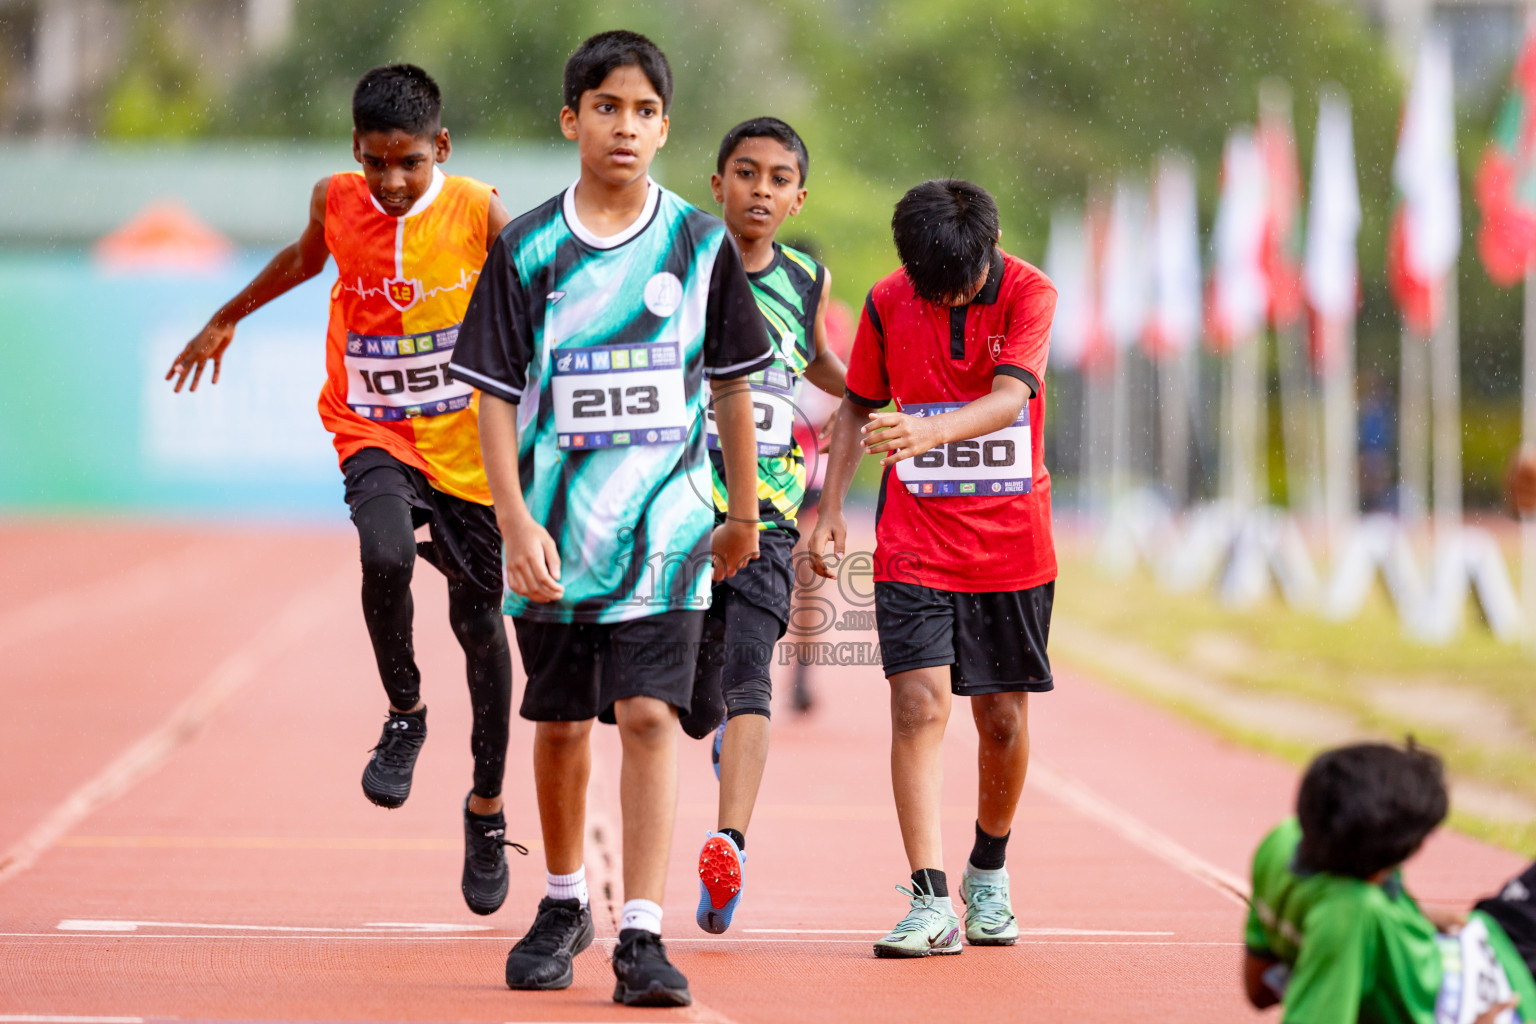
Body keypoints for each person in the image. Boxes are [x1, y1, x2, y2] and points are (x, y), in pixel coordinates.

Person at [447, 30, 771, 1007]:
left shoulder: (699, 246)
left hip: (668, 536)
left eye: (642, 111)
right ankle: (559, 902)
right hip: (550, 537)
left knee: (648, 715)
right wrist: (511, 520)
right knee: (554, 725)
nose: (623, 126)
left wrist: (744, 513)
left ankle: (642, 930)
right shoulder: (528, 248)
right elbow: (494, 396)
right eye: (605, 107)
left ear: (665, 128)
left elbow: (732, 394)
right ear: (571, 119)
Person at [165, 64, 522, 917]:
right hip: (371, 429)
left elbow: (538, 295)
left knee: (480, 630)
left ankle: (485, 807)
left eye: (408, 163)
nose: (392, 184)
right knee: (384, 554)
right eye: (375, 164)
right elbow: (299, 259)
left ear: (440, 148)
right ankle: (405, 710)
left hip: (469, 450)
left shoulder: (479, 211)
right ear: (354, 154)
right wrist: (228, 315)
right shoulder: (336, 199)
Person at [808, 179, 1057, 958]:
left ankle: (988, 870)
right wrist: (834, 512)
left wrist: (929, 434)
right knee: (918, 706)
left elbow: (1010, 401)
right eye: (931, 286)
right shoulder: (889, 300)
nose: (947, 300)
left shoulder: (1030, 293)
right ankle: (927, 898)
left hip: (1012, 542)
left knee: (1003, 719)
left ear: (992, 245)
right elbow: (855, 404)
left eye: (961, 286)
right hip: (914, 539)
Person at [675, 118, 846, 934]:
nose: (763, 191)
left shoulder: (807, 277)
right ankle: (715, 737)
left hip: (772, 517)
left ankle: (728, 841)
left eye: (780, 179)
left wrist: (871, 395)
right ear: (717, 185)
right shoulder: (683, 266)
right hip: (681, 515)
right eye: (747, 174)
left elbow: (817, 362)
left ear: (798, 196)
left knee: (753, 678)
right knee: (695, 704)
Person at [1243, 741, 1536, 1024]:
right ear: (1377, 872)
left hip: (1489, 936)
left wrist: (1410, 914)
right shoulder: (1348, 916)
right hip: (1515, 995)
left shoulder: (1283, 841)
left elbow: (1258, 989)